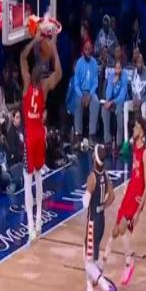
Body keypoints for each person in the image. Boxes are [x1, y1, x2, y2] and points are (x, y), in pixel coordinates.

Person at [20, 31, 62, 241]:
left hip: (30, 136)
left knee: (28, 182)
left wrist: (35, 40)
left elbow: (22, 57)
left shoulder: (27, 84)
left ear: (31, 74)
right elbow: (59, 73)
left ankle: (30, 226)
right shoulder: (44, 88)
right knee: (39, 179)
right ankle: (38, 223)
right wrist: (53, 47)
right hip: (39, 134)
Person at [103, 116, 146, 285]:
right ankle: (102, 262)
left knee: (123, 228)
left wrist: (139, 210)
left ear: (142, 131)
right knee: (115, 230)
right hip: (130, 191)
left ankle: (129, 263)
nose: (133, 129)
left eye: (136, 127)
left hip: (137, 197)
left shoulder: (145, 152)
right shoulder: (134, 147)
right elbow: (134, 173)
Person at [80, 144, 117, 291]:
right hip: (101, 220)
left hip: (92, 223)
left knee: (88, 263)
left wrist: (87, 195)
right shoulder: (105, 175)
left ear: (95, 158)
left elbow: (85, 203)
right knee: (90, 259)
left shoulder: (92, 178)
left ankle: (106, 286)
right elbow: (112, 196)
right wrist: (102, 206)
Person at [72, 40, 100, 148]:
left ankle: (92, 135)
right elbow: (76, 83)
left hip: (91, 92)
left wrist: (89, 95)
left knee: (96, 101)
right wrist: (82, 95)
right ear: (83, 50)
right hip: (81, 92)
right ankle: (78, 136)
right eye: (86, 49)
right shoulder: (79, 63)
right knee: (77, 102)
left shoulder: (94, 63)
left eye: (90, 49)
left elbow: (95, 82)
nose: (88, 51)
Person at [102, 61, 128, 154]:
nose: (117, 70)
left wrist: (112, 102)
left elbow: (122, 96)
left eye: (119, 68)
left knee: (119, 112)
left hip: (121, 102)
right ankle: (107, 140)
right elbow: (107, 96)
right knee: (104, 110)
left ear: (122, 69)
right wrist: (113, 83)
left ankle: (118, 143)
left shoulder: (124, 77)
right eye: (116, 68)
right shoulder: (111, 76)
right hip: (112, 101)